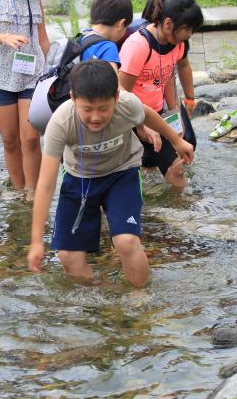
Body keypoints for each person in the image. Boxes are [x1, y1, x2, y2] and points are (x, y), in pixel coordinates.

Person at [27, 60, 194, 287]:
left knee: (126, 241)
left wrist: (177, 141)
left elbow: (147, 114)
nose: (96, 117)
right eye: (87, 109)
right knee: (68, 256)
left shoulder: (127, 104)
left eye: (103, 108)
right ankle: (102, 294)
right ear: (73, 98)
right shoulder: (61, 122)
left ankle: (139, 297)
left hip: (122, 172)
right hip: (79, 179)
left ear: (116, 97)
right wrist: (36, 241)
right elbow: (46, 184)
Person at [119, 0, 203, 188]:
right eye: (187, 29)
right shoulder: (138, 46)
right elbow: (121, 92)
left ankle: (184, 206)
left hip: (155, 116)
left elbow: (166, 78)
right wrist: (141, 125)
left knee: (176, 169)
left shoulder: (176, 45)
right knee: (133, 174)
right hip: (129, 120)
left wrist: (175, 115)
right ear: (167, 24)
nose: (189, 35)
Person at [0, 0, 50, 194]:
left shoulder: (35, 0)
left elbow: (43, 40)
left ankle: (33, 194)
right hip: (2, 76)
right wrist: (4, 38)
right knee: (9, 140)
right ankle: (18, 191)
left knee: (31, 139)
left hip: (32, 77)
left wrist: (48, 69)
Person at [79, 0, 133, 72]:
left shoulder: (82, 36)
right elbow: (113, 80)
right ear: (121, 24)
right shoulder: (108, 48)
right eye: (126, 28)